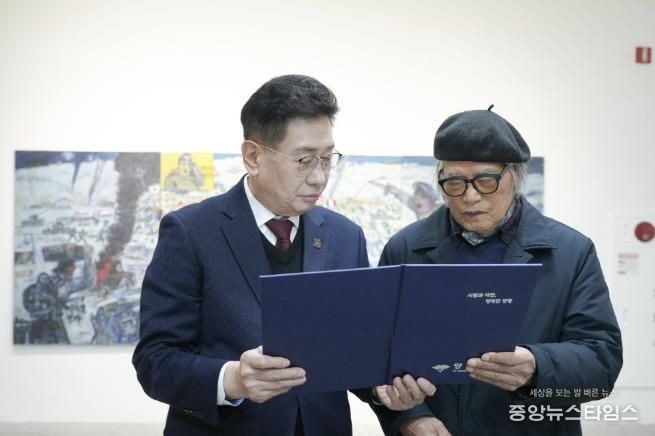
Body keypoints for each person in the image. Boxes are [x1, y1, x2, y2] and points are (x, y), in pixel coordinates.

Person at [132, 75, 436, 436]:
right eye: (304, 160)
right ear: (253, 156)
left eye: (327, 158)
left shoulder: (344, 236)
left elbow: (354, 351)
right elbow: (155, 360)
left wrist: (385, 390)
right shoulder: (191, 231)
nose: (319, 177)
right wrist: (232, 380)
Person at [372, 107, 622, 435]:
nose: (470, 196)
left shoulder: (571, 252)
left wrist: (537, 366)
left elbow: (602, 361)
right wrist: (411, 417)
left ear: (514, 176)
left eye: (486, 181)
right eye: (454, 183)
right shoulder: (405, 249)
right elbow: (374, 352)